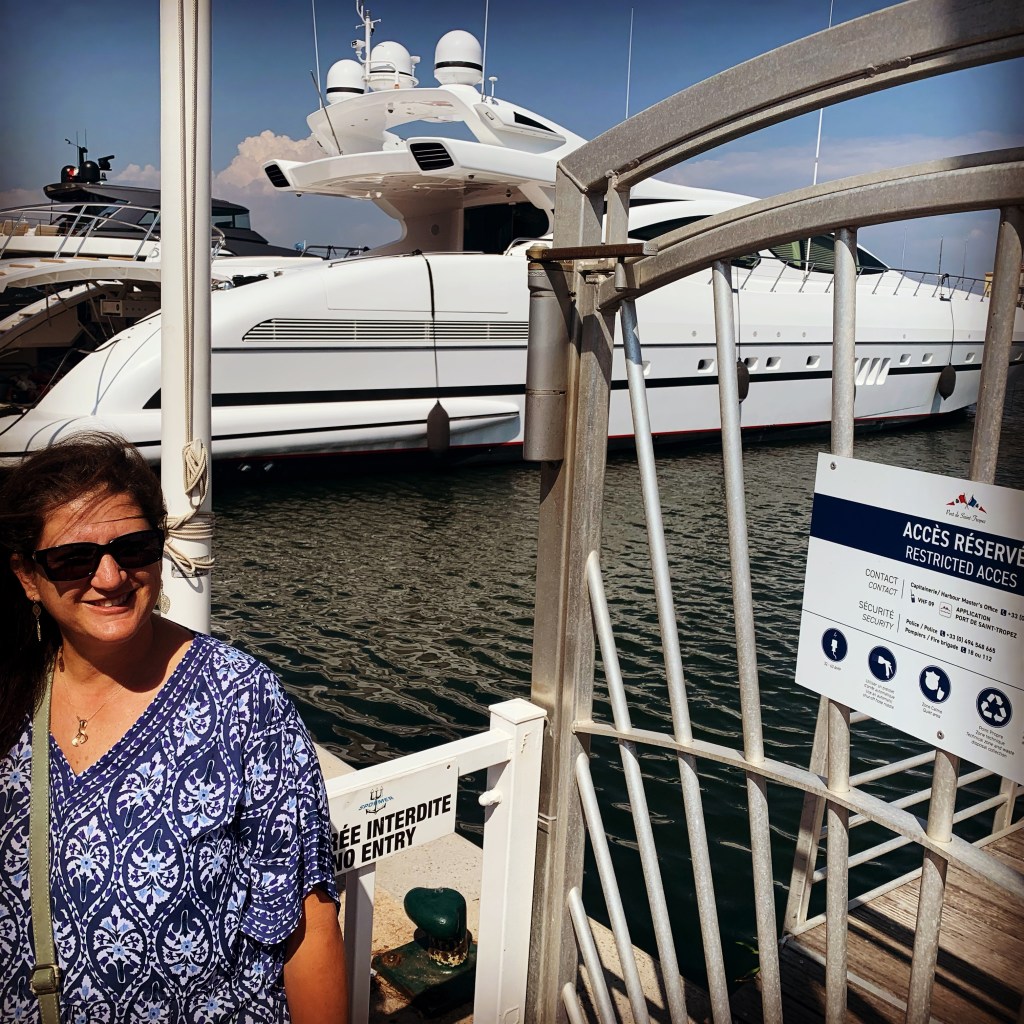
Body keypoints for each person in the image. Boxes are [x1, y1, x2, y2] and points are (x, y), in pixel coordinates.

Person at [0, 432, 348, 1023]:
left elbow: (305, 921)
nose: (110, 577)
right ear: (29, 577)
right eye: (73, 558)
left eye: (134, 548)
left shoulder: (242, 699)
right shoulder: (13, 693)